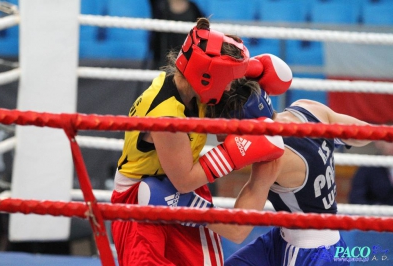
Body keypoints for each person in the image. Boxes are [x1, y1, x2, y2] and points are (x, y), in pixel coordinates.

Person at [110, 18, 292, 266]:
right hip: (143, 197)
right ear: (208, 77)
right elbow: (184, 180)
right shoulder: (167, 118)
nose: (229, 87)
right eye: (227, 79)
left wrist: (258, 69)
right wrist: (233, 153)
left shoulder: (195, 82)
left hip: (180, 184)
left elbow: (228, 69)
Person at [206, 77, 372, 266]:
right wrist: (331, 139)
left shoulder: (273, 158)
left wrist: (192, 208)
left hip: (309, 254)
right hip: (285, 239)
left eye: (224, 128)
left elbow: (238, 230)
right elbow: (365, 133)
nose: (220, 138)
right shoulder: (309, 109)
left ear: (246, 125)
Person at [149, 0, 204, 70]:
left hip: (188, 62)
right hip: (163, 62)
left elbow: (203, 33)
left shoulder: (194, 8)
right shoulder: (160, 6)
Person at [349, 140, 393, 205]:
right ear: (378, 143)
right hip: (376, 213)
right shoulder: (368, 166)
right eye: (389, 140)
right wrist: (377, 210)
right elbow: (356, 199)